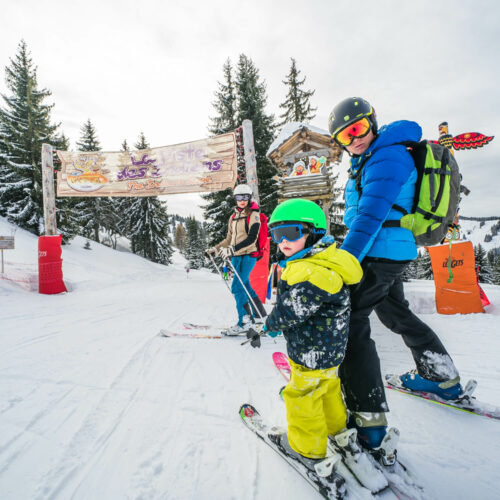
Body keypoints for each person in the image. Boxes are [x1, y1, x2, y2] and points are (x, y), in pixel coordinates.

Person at [328, 97, 463, 450]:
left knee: (352, 322)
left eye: (357, 128)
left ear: (372, 123)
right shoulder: (372, 157)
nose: (353, 139)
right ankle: (441, 377)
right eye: (345, 136)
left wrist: (345, 263)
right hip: (390, 250)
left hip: (378, 251)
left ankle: (368, 419)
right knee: (396, 314)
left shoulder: (386, 156)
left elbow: (369, 218)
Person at [261, 198, 363, 467]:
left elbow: (290, 311)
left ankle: (306, 449)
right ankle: (339, 434)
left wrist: (269, 326)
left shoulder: (306, 272)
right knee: (328, 389)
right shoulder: (328, 261)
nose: (283, 242)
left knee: (301, 396)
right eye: (277, 234)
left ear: (314, 232)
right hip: (331, 352)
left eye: (292, 233)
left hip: (309, 353)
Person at [206, 184, 267, 334]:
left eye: (245, 197)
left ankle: (244, 321)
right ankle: (260, 315)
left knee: (237, 287)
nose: (242, 200)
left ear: (249, 198)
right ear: (235, 199)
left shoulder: (253, 215)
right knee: (245, 285)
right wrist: (215, 250)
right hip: (235, 257)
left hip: (248, 256)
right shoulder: (233, 217)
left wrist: (232, 249)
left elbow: (252, 238)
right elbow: (228, 239)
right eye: (239, 197)